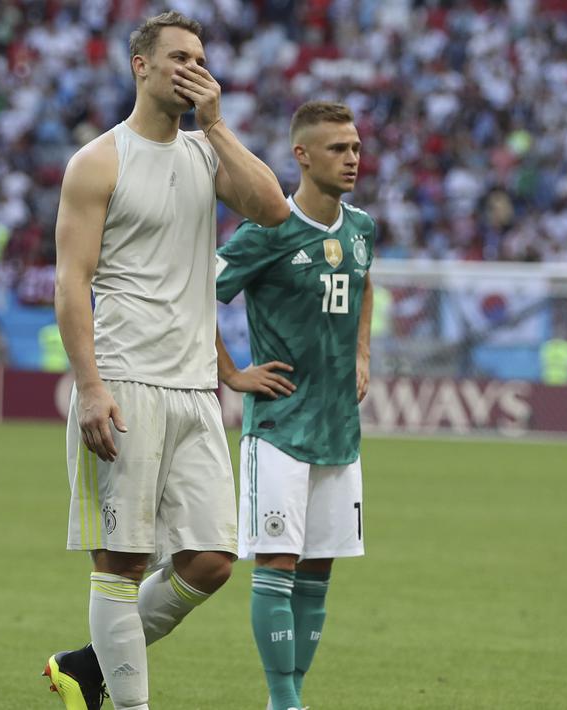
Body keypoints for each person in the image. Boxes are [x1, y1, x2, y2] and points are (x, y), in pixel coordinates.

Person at [42, 11, 289, 710]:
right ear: (139, 67)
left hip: (192, 390)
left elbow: (273, 210)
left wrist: (214, 123)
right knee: (119, 564)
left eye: (200, 59)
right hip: (123, 379)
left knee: (211, 561)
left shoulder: (206, 153)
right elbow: (70, 283)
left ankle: (86, 667)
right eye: (178, 56)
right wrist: (88, 387)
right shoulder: (98, 161)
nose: (192, 68)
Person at [215, 101, 375, 710]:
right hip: (279, 427)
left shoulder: (361, 228)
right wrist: (231, 373)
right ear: (302, 156)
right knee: (277, 564)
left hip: (340, 431)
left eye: (356, 147)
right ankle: (283, 700)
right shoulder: (268, 229)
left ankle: (295, 695)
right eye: (338, 148)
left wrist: (362, 353)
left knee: (318, 573)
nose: (353, 158)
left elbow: (365, 283)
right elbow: (197, 294)